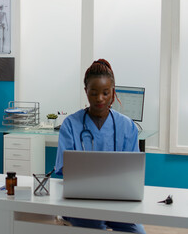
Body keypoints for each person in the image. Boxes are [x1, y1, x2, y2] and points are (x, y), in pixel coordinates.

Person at [54, 59, 146, 233]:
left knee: (137, 231)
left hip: (118, 200)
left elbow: (134, 171)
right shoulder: (70, 124)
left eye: (105, 92)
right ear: (86, 92)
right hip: (81, 200)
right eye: (94, 93)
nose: (100, 98)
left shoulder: (127, 126)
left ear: (113, 91)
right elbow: (65, 168)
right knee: (95, 227)